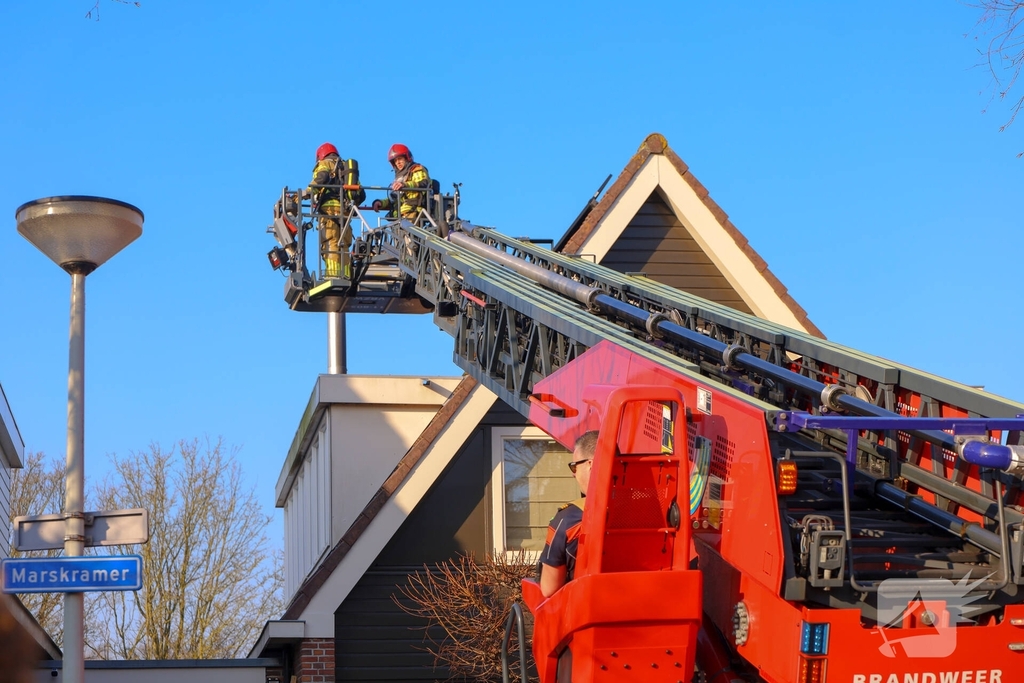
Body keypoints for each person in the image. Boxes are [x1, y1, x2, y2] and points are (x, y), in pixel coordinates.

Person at [538, 430, 599, 598]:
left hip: (588, 615)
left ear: (590, 465)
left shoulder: (568, 519)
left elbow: (549, 589)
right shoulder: (652, 510)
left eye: (574, 466)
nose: (573, 473)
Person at [309, 142, 351, 278]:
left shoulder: (325, 163)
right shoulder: (344, 167)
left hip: (328, 211)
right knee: (343, 244)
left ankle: (333, 275)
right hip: (345, 212)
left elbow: (322, 178)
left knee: (330, 243)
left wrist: (307, 192)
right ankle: (346, 275)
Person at [371, 143, 430, 220]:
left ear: (407, 158)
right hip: (399, 216)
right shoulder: (398, 178)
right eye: (395, 160)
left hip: (413, 212)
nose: (398, 162)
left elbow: (423, 183)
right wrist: (381, 203)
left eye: (400, 159)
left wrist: (404, 185)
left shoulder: (416, 169)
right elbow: (395, 198)